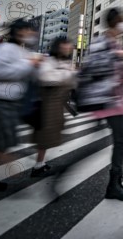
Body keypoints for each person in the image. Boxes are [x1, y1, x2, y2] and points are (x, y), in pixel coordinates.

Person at [0, 19, 41, 192]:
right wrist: (29, 64)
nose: (32, 35)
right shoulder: (5, 48)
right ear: (19, 32)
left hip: (10, 102)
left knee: (0, 142)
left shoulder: (21, 51)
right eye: (28, 31)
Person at [89, 8, 123, 201]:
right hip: (108, 99)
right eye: (121, 22)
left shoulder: (107, 42)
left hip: (107, 99)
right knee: (119, 140)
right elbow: (101, 67)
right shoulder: (105, 42)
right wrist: (122, 55)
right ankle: (113, 185)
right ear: (115, 22)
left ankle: (114, 183)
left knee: (107, 141)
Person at [31, 37, 77, 177]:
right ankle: (38, 166)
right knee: (45, 135)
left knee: (48, 136)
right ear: (58, 47)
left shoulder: (62, 62)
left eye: (69, 46)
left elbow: (71, 82)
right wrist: (65, 74)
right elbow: (46, 78)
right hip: (47, 104)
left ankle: (40, 164)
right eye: (65, 46)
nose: (68, 48)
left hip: (56, 104)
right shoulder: (48, 61)